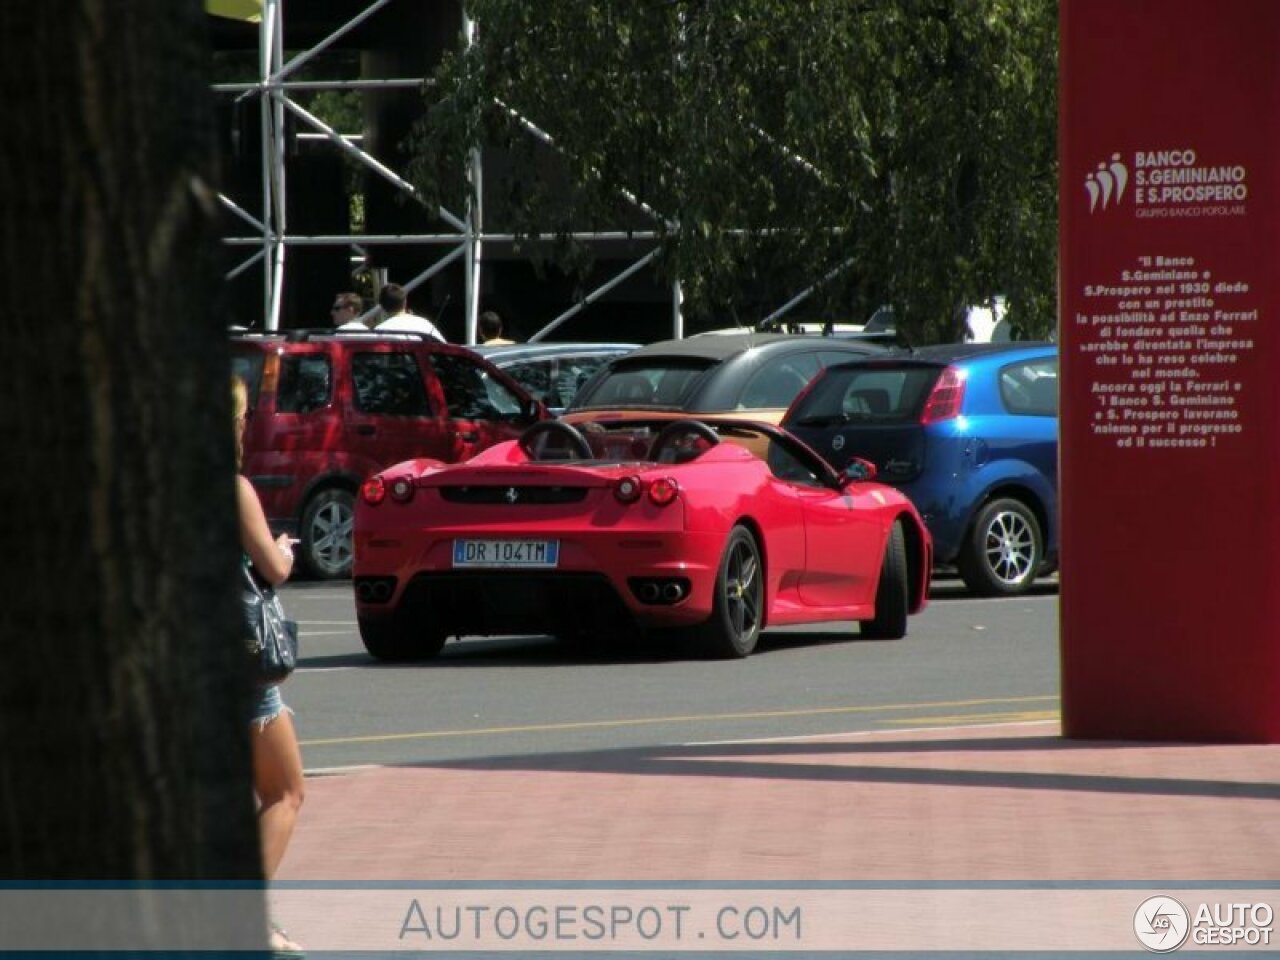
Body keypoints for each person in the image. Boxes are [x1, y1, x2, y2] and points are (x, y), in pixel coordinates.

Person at [233, 377, 306, 958]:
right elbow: (273, 569)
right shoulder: (231, 489)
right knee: (285, 792)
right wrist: (283, 549)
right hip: (241, 665)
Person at [374, 283, 445, 341]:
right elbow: (444, 348)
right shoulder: (425, 324)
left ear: (382, 306)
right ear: (405, 302)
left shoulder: (379, 332)